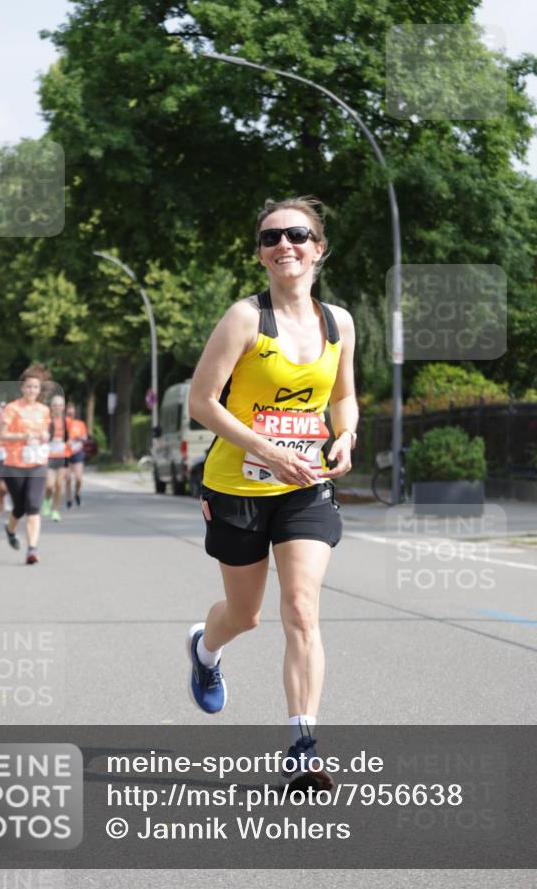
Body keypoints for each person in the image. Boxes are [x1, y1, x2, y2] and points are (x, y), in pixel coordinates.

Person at [187, 196, 358, 790]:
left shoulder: (340, 323)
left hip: (305, 486)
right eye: (271, 238)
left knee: (302, 610)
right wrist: (266, 449)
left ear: (319, 247)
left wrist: (347, 435)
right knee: (246, 615)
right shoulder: (244, 319)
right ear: (260, 254)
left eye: (298, 234)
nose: (285, 245)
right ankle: (205, 651)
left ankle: (303, 746)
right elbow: (201, 402)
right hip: (237, 484)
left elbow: (342, 397)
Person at [0, 364, 51, 565]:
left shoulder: (44, 410)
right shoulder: (12, 409)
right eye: (28, 387)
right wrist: (23, 435)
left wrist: (45, 436)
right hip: (14, 464)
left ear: (40, 390)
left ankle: (32, 549)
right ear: (22, 388)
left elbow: (46, 432)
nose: (32, 391)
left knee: (33, 506)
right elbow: (2, 435)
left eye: (36, 387)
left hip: (37, 462)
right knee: (19, 507)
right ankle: (10, 529)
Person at [42, 394, 69, 522]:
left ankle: (55, 510)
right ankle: (47, 500)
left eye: (60, 405)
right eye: (55, 405)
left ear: (63, 407)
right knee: (49, 485)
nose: (58, 407)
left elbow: (73, 439)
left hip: (63, 457)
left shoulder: (68, 422)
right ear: (51, 407)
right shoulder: (46, 420)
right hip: (49, 456)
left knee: (59, 485)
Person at [64, 402, 87, 508]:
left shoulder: (80, 424)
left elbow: (85, 437)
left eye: (72, 410)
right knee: (68, 478)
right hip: (65, 452)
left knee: (78, 478)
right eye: (68, 410)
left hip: (77, 451)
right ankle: (69, 498)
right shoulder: (62, 424)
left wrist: (79, 438)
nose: (70, 412)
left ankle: (77, 493)